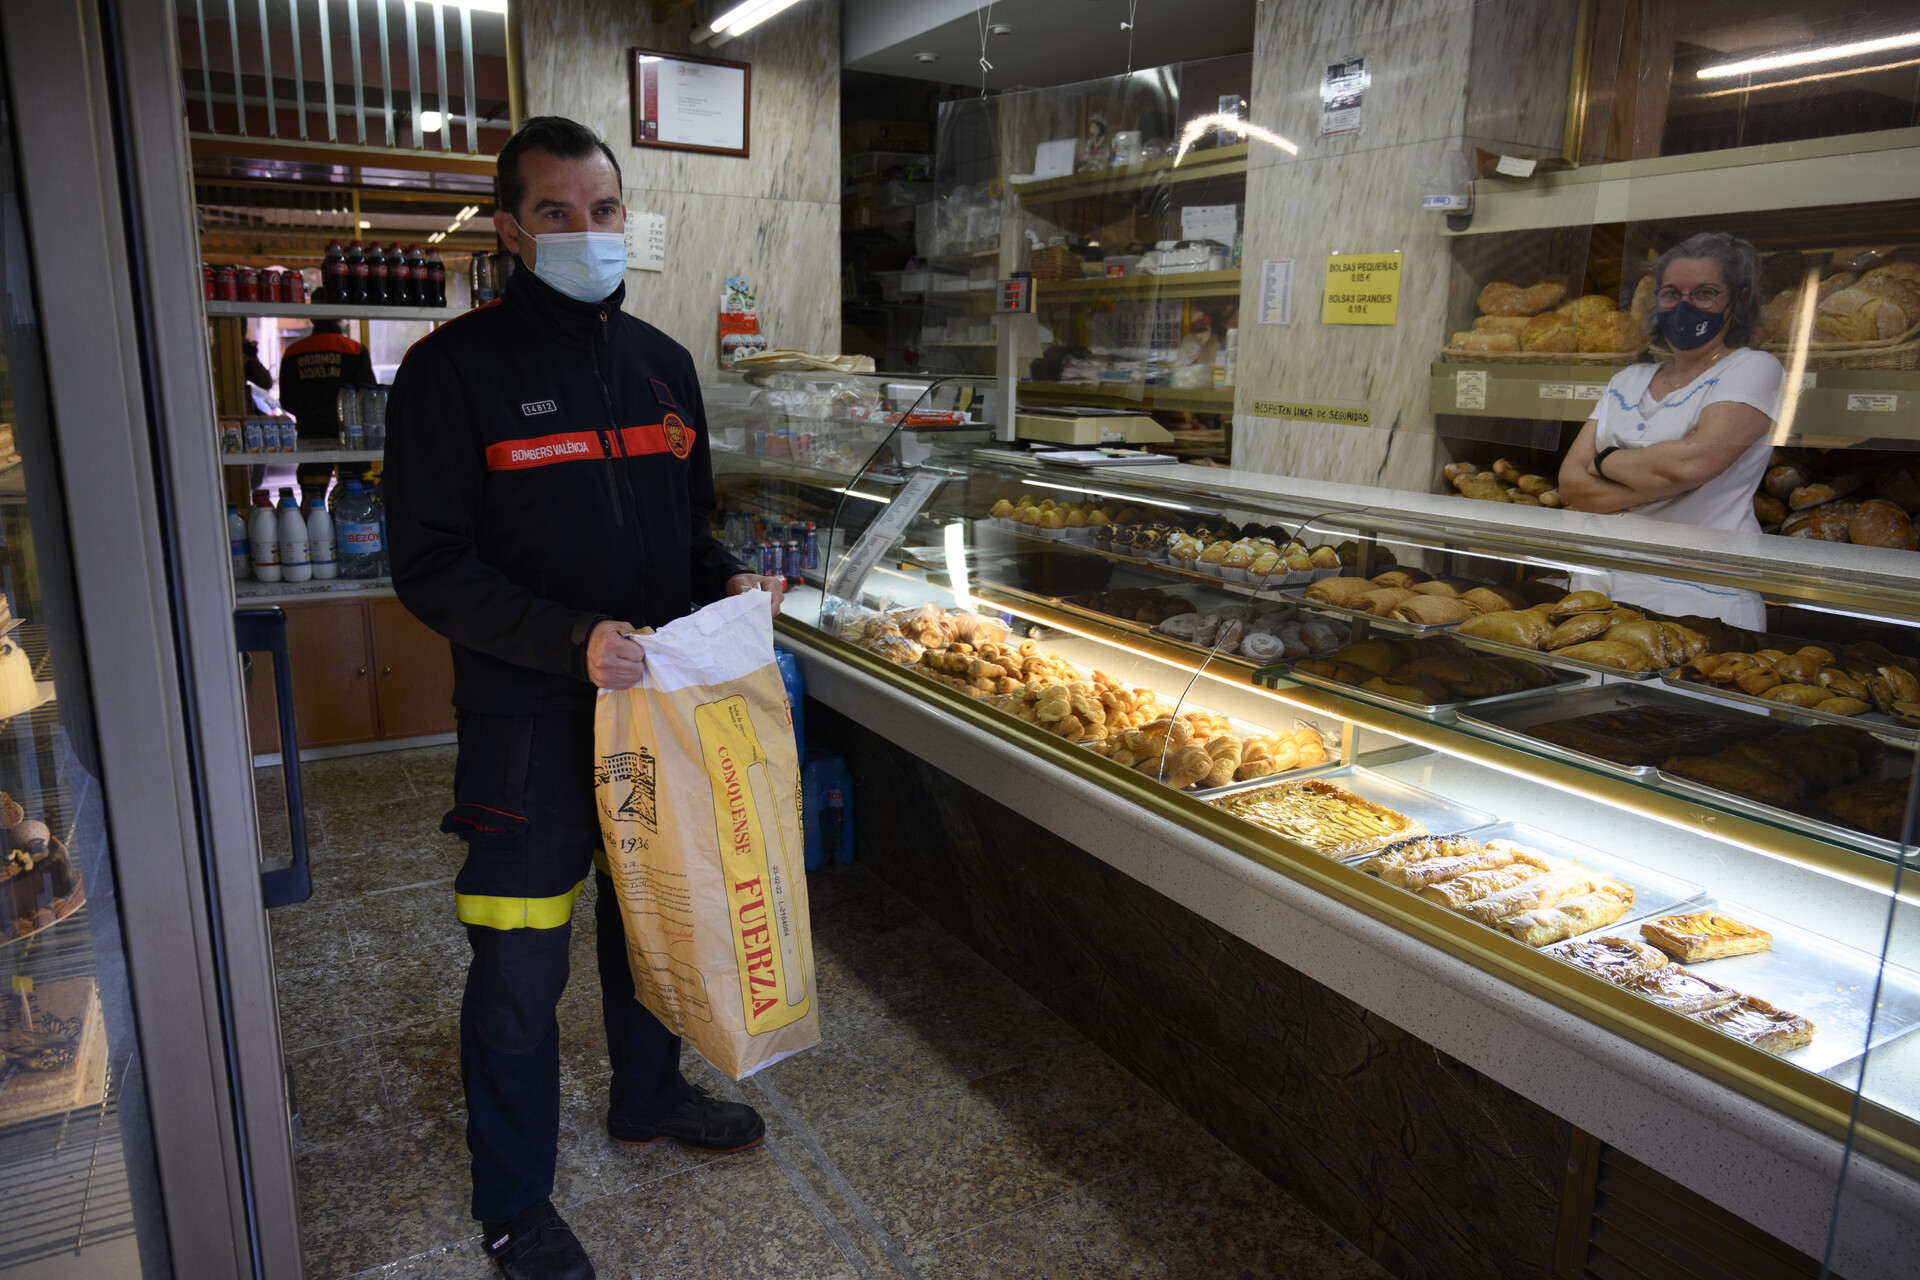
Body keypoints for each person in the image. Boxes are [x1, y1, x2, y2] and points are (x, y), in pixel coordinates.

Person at [384, 116, 784, 1280]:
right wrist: (570, 641)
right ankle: (513, 1204)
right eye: (556, 212)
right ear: (510, 228)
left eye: (603, 210)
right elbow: (433, 564)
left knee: (656, 918)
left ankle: (647, 1094)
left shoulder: (663, 362)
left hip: (658, 708)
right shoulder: (452, 374)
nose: (586, 231)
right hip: (529, 724)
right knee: (519, 962)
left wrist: (728, 579)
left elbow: (691, 525)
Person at [1557, 232, 1785, 628]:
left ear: (1740, 299)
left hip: (1700, 601)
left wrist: (1603, 459)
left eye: (1705, 293)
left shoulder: (1752, 369)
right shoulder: (1628, 380)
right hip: (1597, 594)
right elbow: (1570, 484)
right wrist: (1660, 473)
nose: (1684, 306)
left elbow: (1690, 466)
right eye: (1671, 294)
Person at [275, 293, 375, 442]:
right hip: (351, 436)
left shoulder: (293, 352)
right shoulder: (355, 350)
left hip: (309, 434)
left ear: (312, 318)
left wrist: (309, 415)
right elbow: (369, 397)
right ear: (340, 316)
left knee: (311, 465)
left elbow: (287, 401)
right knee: (352, 466)